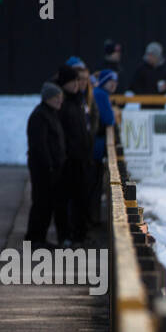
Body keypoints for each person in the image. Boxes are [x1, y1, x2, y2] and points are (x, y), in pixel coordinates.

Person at [54, 65, 92, 246]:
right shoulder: (62, 103)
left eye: (79, 80)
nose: (77, 84)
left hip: (81, 157)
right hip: (67, 159)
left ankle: (80, 234)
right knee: (64, 199)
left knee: (81, 198)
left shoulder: (79, 101)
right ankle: (66, 235)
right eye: (73, 81)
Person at [26, 81, 66, 247]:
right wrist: (49, 165)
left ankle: (39, 237)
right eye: (56, 97)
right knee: (41, 203)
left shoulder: (51, 113)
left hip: (51, 167)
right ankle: (34, 238)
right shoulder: (40, 116)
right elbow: (39, 144)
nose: (59, 101)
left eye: (60, 97)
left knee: (47, 204)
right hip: (43, 168)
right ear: (47, 98)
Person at [90, 69, 119, 225]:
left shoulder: (99, 93)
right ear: (104, 81)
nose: (114, 84)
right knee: (94, 184)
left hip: (96, 147)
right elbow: (109, 119)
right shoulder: (100, 94)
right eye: (111, 81)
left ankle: (92, 217)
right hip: (96, 148)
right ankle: (92, 219)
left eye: (116, 82)